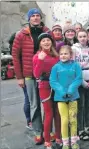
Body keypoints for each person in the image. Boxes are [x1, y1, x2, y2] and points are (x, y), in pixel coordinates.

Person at [12, 8, 50, 144]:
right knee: (34, 105)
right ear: (29, 18)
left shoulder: (47, 32)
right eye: (33, 16)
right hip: (29, 75)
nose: (35, 18)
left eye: (37, 15)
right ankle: (38, 132)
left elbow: (53, 50)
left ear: (40, 18)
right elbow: (15, 57)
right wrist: (19, 76)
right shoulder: (21, 35)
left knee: (47, 103)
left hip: (45, 74)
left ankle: (48, 130)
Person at [50, 45, 82, 149]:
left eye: (66, 53)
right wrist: (62, 92)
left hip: (73, 97)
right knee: (64, 120)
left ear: (70, 55)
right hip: (61, 98)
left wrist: (70, 90)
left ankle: (73, 142)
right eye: (61, 54)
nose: (63, 56)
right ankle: (65, 143)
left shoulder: (76, 65)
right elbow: (53, 81)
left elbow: (78, 79)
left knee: (73, 119)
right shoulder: (56, 67)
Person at [33, 33, 61, 148]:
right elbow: (36, 74)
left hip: (57, 86)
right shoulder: (37, 56)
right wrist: (40, 60)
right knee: (48, 113)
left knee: (57, 113)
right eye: (43, 40)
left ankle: (58, 137)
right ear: (40, 43)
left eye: (48, 40)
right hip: (45, 87)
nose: (46, 42)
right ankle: (47, 140)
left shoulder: (56, 55)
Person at [72, 29, 89, 140]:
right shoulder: (74, 49)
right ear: (77, 38)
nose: (83, 38)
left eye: (85, 36)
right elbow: (73, 66)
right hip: (80, 81)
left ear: (88, 37)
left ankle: (87, 126)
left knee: (88, 105)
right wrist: (82, 82)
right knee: (81, 106)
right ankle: (80, 129)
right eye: (81, 36)